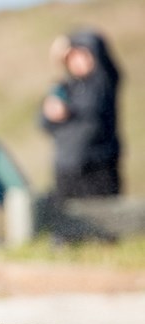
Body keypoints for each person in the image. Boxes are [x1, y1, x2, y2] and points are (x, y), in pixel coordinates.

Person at [40, 30, 122, 199]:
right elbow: (43, 122)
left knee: (103, 222)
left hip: (99, 169)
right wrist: (50, 114)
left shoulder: (103, 81)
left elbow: (92, 107)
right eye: (72, 57)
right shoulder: (66, 87)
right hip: (67, 172)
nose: (78, 61)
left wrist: (69, 39)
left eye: (82, 54)